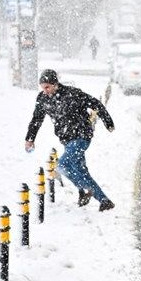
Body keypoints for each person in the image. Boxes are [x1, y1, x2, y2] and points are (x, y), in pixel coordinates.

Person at [24, 69, 116, 211]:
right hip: (66, 139)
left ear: (55, 84)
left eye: (47, 87)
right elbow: (36, 120)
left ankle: (85, 188)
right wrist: (30, 139)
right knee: (80, 170)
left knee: (62, 165)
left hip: (81, 136)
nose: (45, 91)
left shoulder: (72, 94)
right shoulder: (42, 99)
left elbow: (95, 103)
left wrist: (108, 122)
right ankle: (104, 201)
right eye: (42, 87)